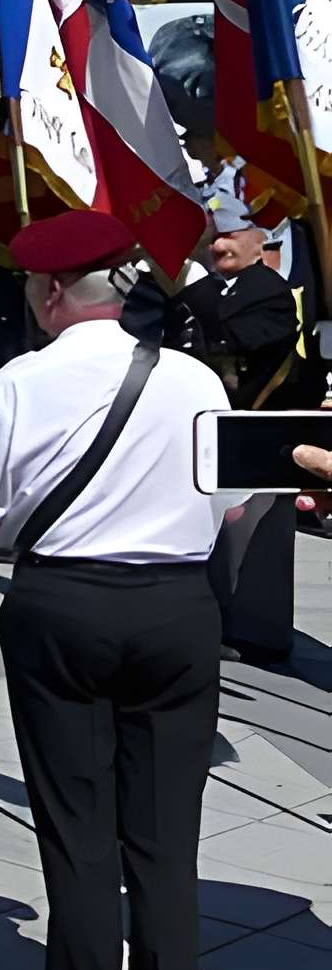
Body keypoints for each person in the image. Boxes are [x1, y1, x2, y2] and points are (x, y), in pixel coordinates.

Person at [0, 210, 238, 970]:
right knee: (165, 847)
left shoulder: (22, 381)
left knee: (77, 837)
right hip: (178, 609)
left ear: (54, 292)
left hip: (63, 603)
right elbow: (226, 511)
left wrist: (7, 529)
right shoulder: (193, 378)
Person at [174, 193, 316, 665]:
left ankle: (258, 635)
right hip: (214, 434)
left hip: (255, 434)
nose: (221, 243)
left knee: (254, 545)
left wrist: (196, 291)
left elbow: (244, 342)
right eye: (215, 235)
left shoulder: (267, 290)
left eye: (232, 233)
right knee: (217, 542)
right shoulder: (225, 287)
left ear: (261, 242)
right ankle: (221, 623)